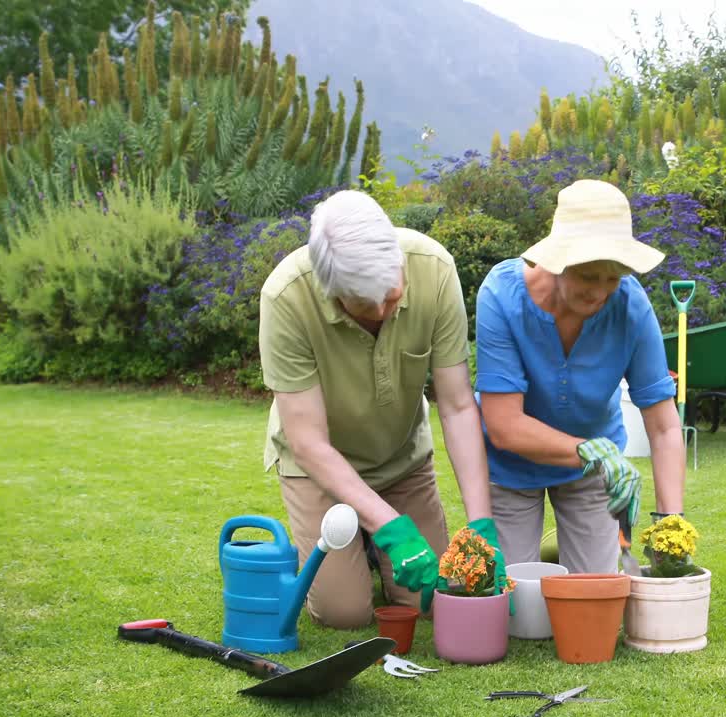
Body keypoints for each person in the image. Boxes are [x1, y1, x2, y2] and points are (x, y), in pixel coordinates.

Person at [258, 189, 507, 629]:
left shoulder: (433, 269)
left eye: (391, 298)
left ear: (398, 260)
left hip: (400, 459)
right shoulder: (285, 298)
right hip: (318, 466)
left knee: (427, 599)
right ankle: (364, 540)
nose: (380, 311)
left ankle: (369, 542)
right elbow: (308, 442)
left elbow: (456, 406)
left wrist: (481, 523)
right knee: (345, 614)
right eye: (363, 305)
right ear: (329, 287)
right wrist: (391, 527)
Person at [475, 179, 687, 574]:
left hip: (593, 468)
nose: (600, 293)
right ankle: (551, 550)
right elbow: (503, 426)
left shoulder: (630, 305)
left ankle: (576, 548)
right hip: (511, 463)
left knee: (595, 592)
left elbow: (662, 426)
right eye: (590, 276)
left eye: (614, 278)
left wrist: (669, 522)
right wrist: (591, 451)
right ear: (558, 261)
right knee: (516, 602)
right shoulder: (501, 296)